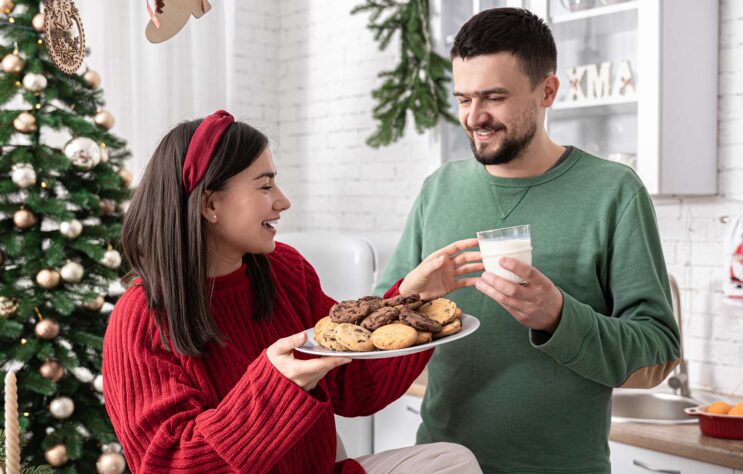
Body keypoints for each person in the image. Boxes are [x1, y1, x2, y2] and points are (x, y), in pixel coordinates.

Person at [374, 8, 681, 473]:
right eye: (463, 98)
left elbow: (658, 352)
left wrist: (559, 317)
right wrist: (409, 297)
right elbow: (380, 335)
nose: (475, 117)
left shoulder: (613, 192)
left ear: (548, 92)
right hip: (443, 463)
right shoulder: (439, 189)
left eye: (494, 97)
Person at [102, 110, 483, 473]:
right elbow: (169, 464)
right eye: (265, 185)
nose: (283, 201)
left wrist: (411, 304)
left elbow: (356, 387)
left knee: (452, 462)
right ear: (209, 202)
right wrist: (275, 388)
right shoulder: (141, 318)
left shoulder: (284, 269)